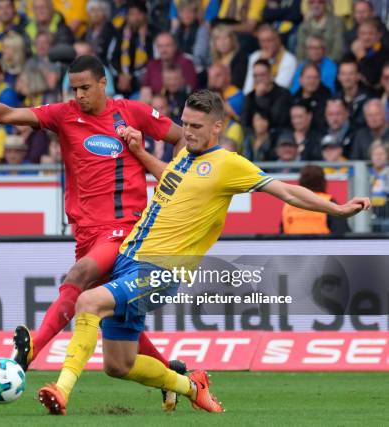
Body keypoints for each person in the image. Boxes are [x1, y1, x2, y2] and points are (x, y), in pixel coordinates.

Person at [36, 89, 370, 415]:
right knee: (118, 365)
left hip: (160, 268)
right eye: (186, 124)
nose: (188, 132)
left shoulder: (228, 164)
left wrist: (338, 210)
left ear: (217, 127)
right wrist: (140, 152)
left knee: (88, 301)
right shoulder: (184, 157)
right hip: (130, 261)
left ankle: (61, 391)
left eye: (196, 127)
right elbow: (171, 181)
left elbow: (287, 192)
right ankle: (191, 386)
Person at [0, 54, 186, 410]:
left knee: (77, 277)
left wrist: (176, 178)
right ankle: (171, 372)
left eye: (84, 88)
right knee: (116, 322)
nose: (78, 94)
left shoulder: (132, 112)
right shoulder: (64, 115)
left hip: (126, 230)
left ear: (102, 84)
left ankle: (33, 346)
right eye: (73, 88)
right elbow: (9, 114)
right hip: (86, 234)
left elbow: (181, 138)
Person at [281, 164, 350, 234]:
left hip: (292, 244)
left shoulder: (289, 204)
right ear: (322, 181)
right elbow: (341, 232)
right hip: (322, 244)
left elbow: (281, 233)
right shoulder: (328, 201)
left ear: (301, 181)